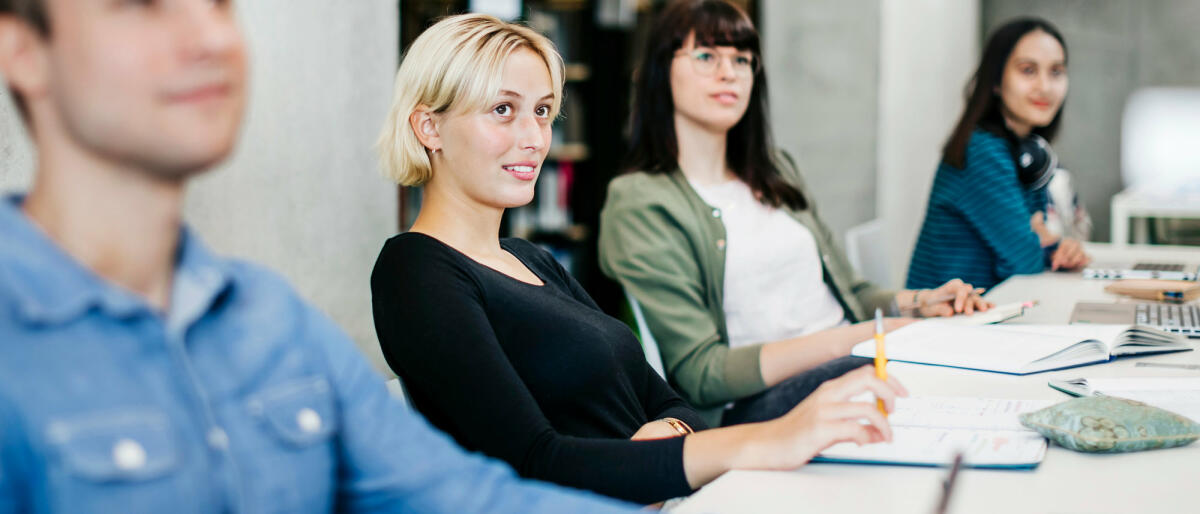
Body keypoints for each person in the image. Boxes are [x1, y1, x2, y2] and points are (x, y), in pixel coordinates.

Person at [0, 1, 638, 512]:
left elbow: (465, 495)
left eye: (220, 4)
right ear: (21, 49)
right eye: (141, 5)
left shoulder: (273, 322)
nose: (209, 37)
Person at [372, 12, 907, 506]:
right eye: (503, 110)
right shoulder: (416, 271)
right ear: (429, 128)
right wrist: (768, 439)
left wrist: (663, 441)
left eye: (541, 112)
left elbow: (670, 401)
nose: (534, 138)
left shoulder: (532, 260)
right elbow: (534, 463)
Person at [596, 0, 989, 429]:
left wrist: (919, 304)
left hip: (847, 362)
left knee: (964, 359)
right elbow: (703, 374)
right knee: (913, 378)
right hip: (756, 406)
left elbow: (852, 294)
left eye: (742, 59)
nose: (729, 72)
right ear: (660, 71)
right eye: (707, 56)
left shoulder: (775, 170)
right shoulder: (640, 202)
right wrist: (856, 341)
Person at [907, 17, 1091, 291]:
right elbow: (1024, 263)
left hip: (990, 309)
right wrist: (1043, 242)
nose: (1045, 86)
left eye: (1056, 72)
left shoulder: (1028, 150)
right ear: (995, 81)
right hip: (945, 321)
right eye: (1028, 70)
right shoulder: (982, 151)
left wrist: (1052, 245)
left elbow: (1030, 244)